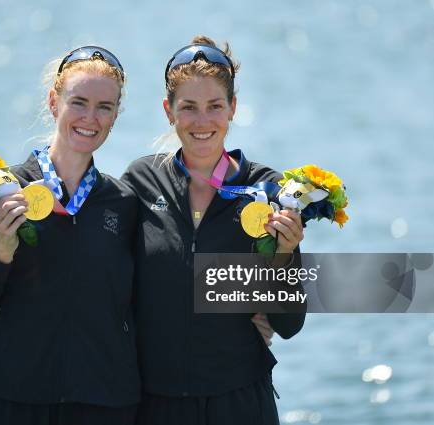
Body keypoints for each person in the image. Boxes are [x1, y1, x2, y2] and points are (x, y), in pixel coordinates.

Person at [0, 46, 139, 425]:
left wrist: (252, 312)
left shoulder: (125, 203)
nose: (90, 118)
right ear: (54, 102)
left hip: (103, 406)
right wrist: (0, 251)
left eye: (105, 107)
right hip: (7, 402)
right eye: (78, 102)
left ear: (116, 115)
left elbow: (163, 287)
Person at [121, 36, 306, 425]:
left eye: (214, 106)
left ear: (233, 108)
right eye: (188, 107)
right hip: (155, 404)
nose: (202, 121)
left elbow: (289, 325)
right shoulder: (140, 181)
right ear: (168, 111)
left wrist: (283, 258)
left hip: (240, 402)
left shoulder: (267, 190)